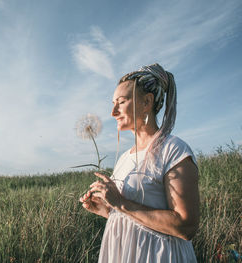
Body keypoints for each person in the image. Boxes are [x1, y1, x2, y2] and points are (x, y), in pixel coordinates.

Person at [79, 63, 200, 262]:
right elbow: (135, 217)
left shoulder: (174, 150)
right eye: (112, 103)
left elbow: (186, 226)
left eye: (121, 102)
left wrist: (121, 203)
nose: (113, 112)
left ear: (146, 102)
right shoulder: (125, 157)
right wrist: (108, 210)